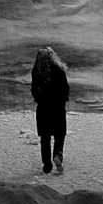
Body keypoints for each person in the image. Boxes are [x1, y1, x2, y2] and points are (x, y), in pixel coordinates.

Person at [31, 46, 70, 175]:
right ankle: (57, 156)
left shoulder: (36, 71)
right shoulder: (59, 70)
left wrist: (38, 100)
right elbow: (65, 89)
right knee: (60, 134)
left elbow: (33, 90)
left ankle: (47, 164)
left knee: (45, 137)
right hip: (58, 107)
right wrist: (63, 100)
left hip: (43, 108)